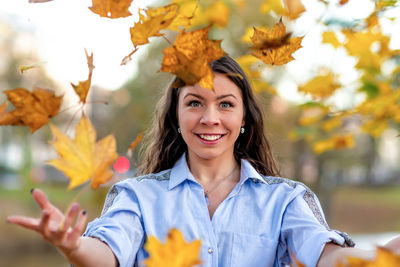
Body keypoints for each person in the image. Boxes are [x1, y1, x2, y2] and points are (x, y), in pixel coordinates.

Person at [7, 56, 400, 267]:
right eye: (195, 103)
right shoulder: (137, 196)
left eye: (225, 104)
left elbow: (325, 256)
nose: (210, 118)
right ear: (176, 117)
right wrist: (74, 246)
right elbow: (107, 254)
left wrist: (384, 255)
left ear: (244, 118)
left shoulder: (285, 201)